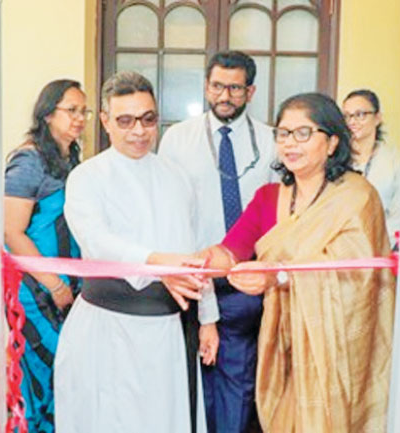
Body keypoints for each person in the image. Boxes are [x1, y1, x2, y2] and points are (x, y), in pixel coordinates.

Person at [204, 93, 396, 432]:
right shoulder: (269, 198)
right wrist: (196, 262)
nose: (290, 143)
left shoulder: (358, 197)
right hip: (283, 346)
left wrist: (278, 277)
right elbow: (231, 250)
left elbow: (358, 274)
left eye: (303, 133)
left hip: (339, 349)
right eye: (283, 133)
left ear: (332, 142)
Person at [54, 71, 220, 433]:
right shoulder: (87, 177)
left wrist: (208, 319)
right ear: (105, 121)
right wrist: (158, 263)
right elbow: (97, 240)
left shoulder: (177, 176)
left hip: (167, 329)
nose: (139, 131)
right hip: (107, 326)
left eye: (148, 119)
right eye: (126, 121)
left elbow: (196, 251)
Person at [159, 50, 276, 433]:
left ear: (250, 91)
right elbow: (168, 210)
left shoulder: (272, 141)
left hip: (246, 280)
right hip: (193, 278)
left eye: (235, 88)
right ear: (206, 86)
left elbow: (278, 213)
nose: (225, 96)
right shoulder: (177, 139)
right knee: (192, 383)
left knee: (238, 383)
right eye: (217, 86)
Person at [3, 79, 89, 433]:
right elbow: (12, 232)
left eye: (84, 111)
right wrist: (54, 285)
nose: (80, 118)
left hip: (67, 286)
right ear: (48, 113)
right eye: (71, 110)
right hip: (35, 291)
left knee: (65, 379)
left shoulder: (70, 158)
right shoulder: (29, 160)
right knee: (42, 374)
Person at [342, 89, 400, 245]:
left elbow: (399, 215)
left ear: (377, 118)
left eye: (360, 114)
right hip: (342, 248)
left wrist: (376, 246)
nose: (352, 121)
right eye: (347, 116)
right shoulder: (336, 160)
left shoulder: (395, 162)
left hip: (381, 245)